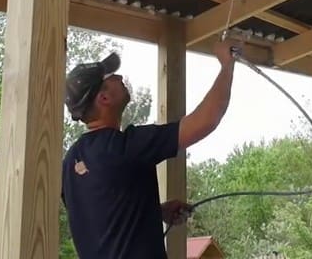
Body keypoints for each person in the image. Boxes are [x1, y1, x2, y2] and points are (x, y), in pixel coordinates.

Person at [61, 39, 242, 258]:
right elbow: (206, 120)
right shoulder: (126, 147)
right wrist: (227, 65)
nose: (119, 77)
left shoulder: (70, 162)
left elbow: (102, 217)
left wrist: (156, 212)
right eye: (110, 77)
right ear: (104, 97)